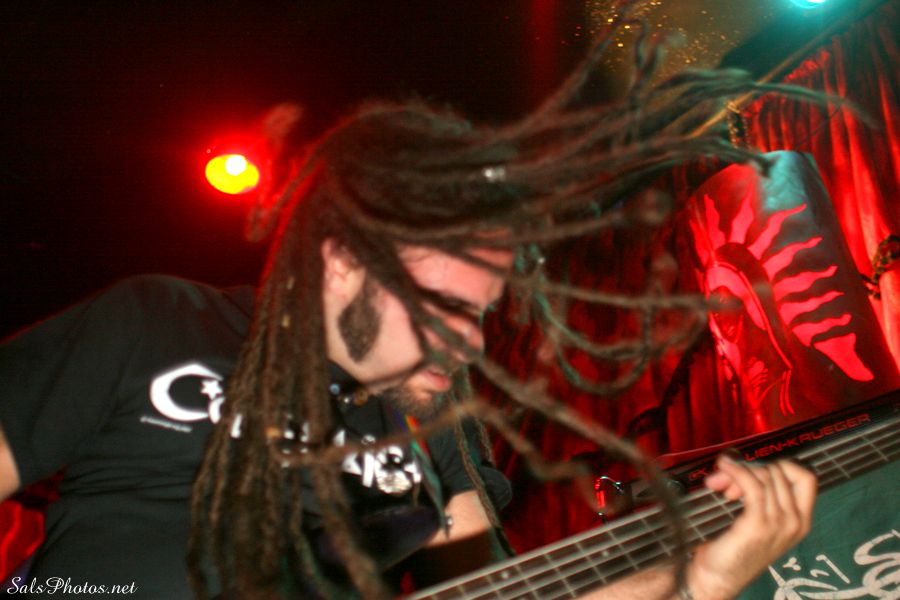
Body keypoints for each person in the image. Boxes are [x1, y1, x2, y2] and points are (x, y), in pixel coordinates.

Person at [1, 15, 819, 599]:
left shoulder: (434, 434)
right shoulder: (158, 322)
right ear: (345, 262)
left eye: (480, 315)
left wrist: (700, 581)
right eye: (449, 307)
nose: (471, 344)